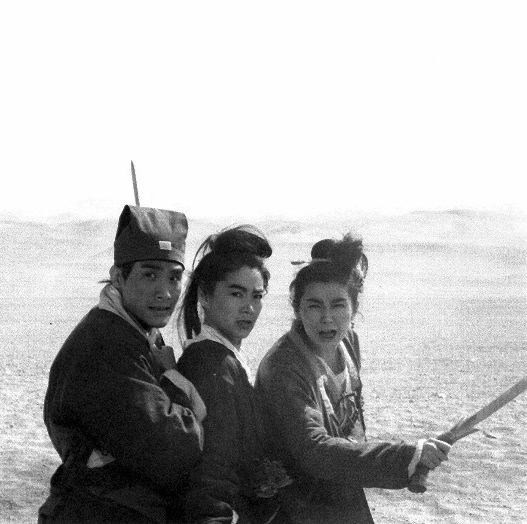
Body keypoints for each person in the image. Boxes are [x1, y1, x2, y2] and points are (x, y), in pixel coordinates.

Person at [255, 234, 451, 524]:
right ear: (297, 309)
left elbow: (353, 422)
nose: (327, 318)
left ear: (354, 308)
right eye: (314, 305)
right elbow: (314, 450)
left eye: (338, 305)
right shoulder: (283, 367)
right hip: (291, 506)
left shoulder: (348, 344)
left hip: (339, 491)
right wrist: (405, 457)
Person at [39, 205, 206, 524]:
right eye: (149, 275)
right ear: (118, 277)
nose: (165, 292)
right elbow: (176, 450)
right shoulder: (108, 344)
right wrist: (173, 381)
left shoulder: (136, 332)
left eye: (174, 277)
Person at [176, 225, 292, 524]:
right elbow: (212, 472)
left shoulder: (226, 360)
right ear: (205, 295)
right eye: (236, 293)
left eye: (257, 296)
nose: (249, 308)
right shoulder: (211, 365)